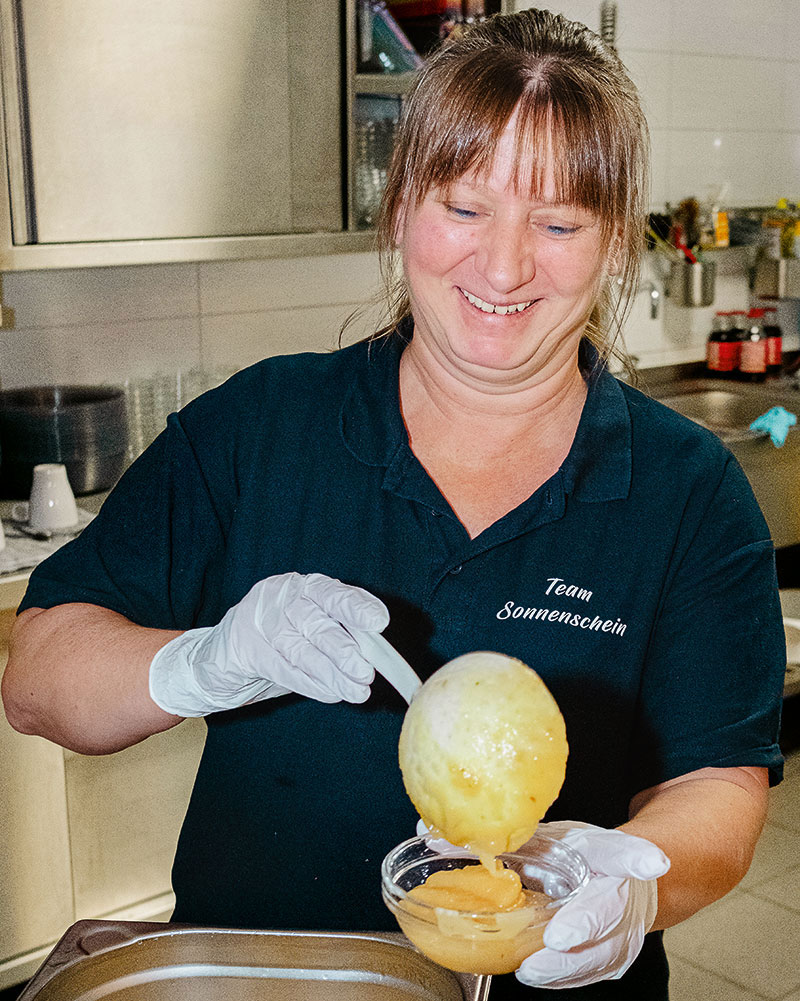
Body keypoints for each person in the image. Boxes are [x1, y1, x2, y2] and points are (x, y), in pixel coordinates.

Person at [1, 9, 785, 999]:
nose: (502, 269)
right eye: (462, 207)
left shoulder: (688, 491)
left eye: (554, 223)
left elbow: (715, 784)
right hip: (264, 981)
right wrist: (206, 659)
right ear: (399, 204)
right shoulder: (261, 425)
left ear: (614, 241)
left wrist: (629, 892)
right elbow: (38, 675)